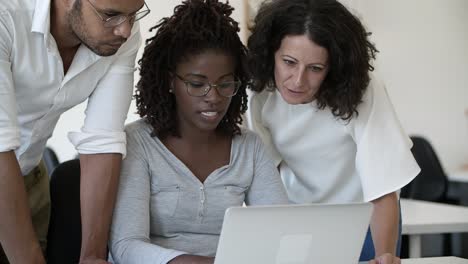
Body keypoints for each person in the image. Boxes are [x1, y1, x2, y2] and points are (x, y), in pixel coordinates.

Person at [108, 1, 288, 263]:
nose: (213, 97)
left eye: (225, 84)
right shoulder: (138, 143)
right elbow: (126, 246)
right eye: (197, 84)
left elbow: (280, 231)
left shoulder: (248, 146)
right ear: (171, 81)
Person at [246, 0, 420, 263]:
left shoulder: (363, 90)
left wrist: (385, 255)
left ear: (334, 66)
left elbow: (383, 186)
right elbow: (268, 176)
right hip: (296, 218)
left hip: (365, 220)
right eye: (289, 62)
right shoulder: (257, 91)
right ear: (271, 52)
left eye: (315, 68)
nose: (298, 80)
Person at [0, 0, 150, 263]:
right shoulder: (6, 15)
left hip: (28, 178)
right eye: (110, 15)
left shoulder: (122, 33)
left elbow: (103, 142)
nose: (125, 30)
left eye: (134, 13)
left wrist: (92, 256)